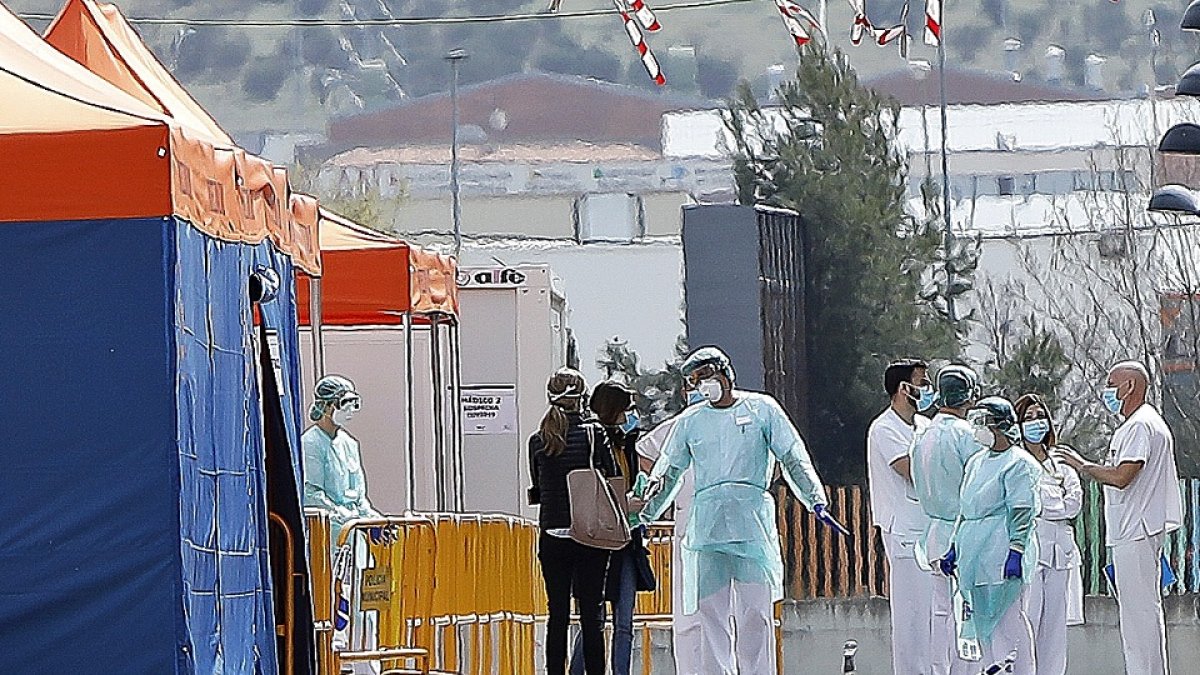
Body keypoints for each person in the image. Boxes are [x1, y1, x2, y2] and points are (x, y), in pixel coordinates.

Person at [631, 347, 847, 675]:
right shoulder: (690, 421)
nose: (701, 385)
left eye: (705, 376)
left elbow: (792, 456)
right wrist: (645, 514)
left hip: (751, 528)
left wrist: (814, 498)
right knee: (711, 618)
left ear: (725, 373)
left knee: (755, 615)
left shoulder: (762, 409)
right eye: (694, 380)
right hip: (707, 531)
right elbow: (668, 472)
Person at [1054, 361, 1182, 675]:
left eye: (1112, 385)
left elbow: (1123, 476)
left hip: (1136, 528)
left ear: (1130, 386)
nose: (1108, 392)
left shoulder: (1140, 425)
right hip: (1135, 528)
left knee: (1139, 616)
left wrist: (1083, 466)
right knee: (1140, 613)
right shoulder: (1141, 423)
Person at [941, 397, 1041, 675]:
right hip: (974, 556)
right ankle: (990, 668)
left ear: (1001, 425)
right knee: (982, 621)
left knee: (1008, 621)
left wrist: (1016, 550)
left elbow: (1022, 511)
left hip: (1001, 550)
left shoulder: (1018, 463)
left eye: (984, 422)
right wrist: (954, 547)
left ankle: (1017, 669)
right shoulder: (976, 462)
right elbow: (966, 508)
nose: (978, 428)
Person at [528, 369, 617, 675]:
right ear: (582, 397)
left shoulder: (538, 440)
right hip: (589, 531)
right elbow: (612, 475)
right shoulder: (594, 434)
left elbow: (538, 488)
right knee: (592, 614)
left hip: (553, 534)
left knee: (557, 614)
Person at [302, 375, 390, 674]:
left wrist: (375, 520)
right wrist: (347, 519)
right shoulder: (311, 444)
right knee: (336, 601)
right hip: (330, 540)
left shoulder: (350, 444)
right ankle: (336, 663)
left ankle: (367, 664)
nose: (350, 410)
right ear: (328, 406)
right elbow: (312, 494)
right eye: (345, 403)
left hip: (356, 538)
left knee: (366, 604)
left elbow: (359, 497)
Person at [568, 381, 647, 675]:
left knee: (625, 620)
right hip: (597, 540)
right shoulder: (591, 441)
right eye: (627, 409)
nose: (631, 416)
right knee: (595, 617)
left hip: (627, 538)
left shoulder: (629, 445)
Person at [909, 364, 983, 675]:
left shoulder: (922, 435)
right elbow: (981, 488)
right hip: (965, 532)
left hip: (933, 533)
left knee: (941, 611)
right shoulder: (968, 436)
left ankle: (939, 669)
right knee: (968, 612)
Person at [867, 358, 935, 675]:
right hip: (904, 531)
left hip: (930, 528)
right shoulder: (884, 428)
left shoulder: (925, 426)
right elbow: (910, 470)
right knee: (912, 614)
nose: (927, 389)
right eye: (922, 383)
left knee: (934, 614)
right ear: (903, 388)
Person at [634, 389, 705, 675]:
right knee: (689, 610)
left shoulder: (739, 422)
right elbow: (643, 452)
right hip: (690, 521)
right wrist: (665, 486)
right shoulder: (680, 426)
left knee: (726, 610)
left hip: (725, 523)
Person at [1013, 394, 1083, 675]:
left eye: (1040, 416)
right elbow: (1029, 503)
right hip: (1031, 549)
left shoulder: (1061, 460)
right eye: (1028, 418)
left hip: (1060, 551)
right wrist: (1055, 501)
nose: (1036, 423)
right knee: (1028, 618)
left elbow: (1074, 502)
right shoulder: (1016, 461)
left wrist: (1048, 504)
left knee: (1055, 627)